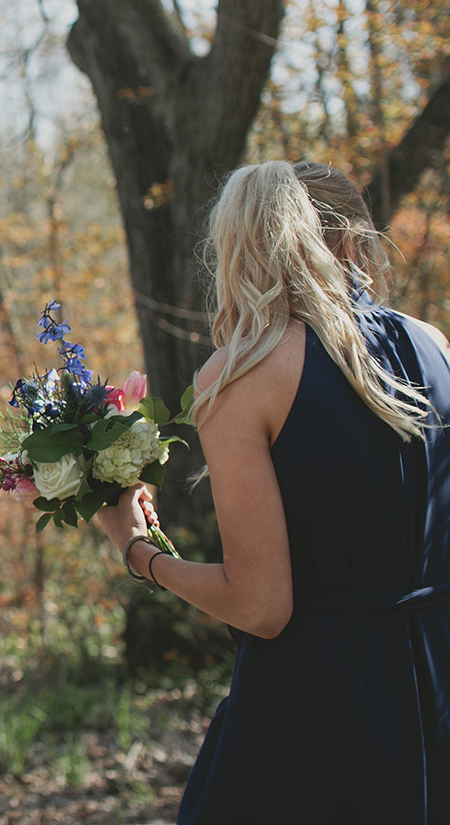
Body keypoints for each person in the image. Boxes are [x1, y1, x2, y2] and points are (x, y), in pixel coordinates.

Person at [96, 160, 450, 824]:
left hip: (324, 700)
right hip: (436, 679)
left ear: (241, 247)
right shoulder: (435, 346)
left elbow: (261, 606)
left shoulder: (243, 374)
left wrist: (137, 550)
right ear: (353, 240)